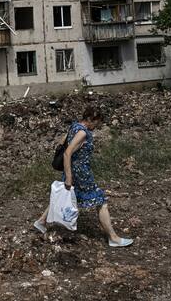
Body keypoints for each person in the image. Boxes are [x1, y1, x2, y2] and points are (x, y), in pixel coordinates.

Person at [33, 105, 133, 247]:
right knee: (101, 200)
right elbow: (67, 153)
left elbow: (62, 143)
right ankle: (113, 238)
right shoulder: (83, 132)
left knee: (63, 196)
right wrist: (69, 177)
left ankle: (41, 221)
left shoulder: (74, 126)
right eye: (97, 122)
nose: (97, 126)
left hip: (73, 170)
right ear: (91, 119)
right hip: (80, 173)